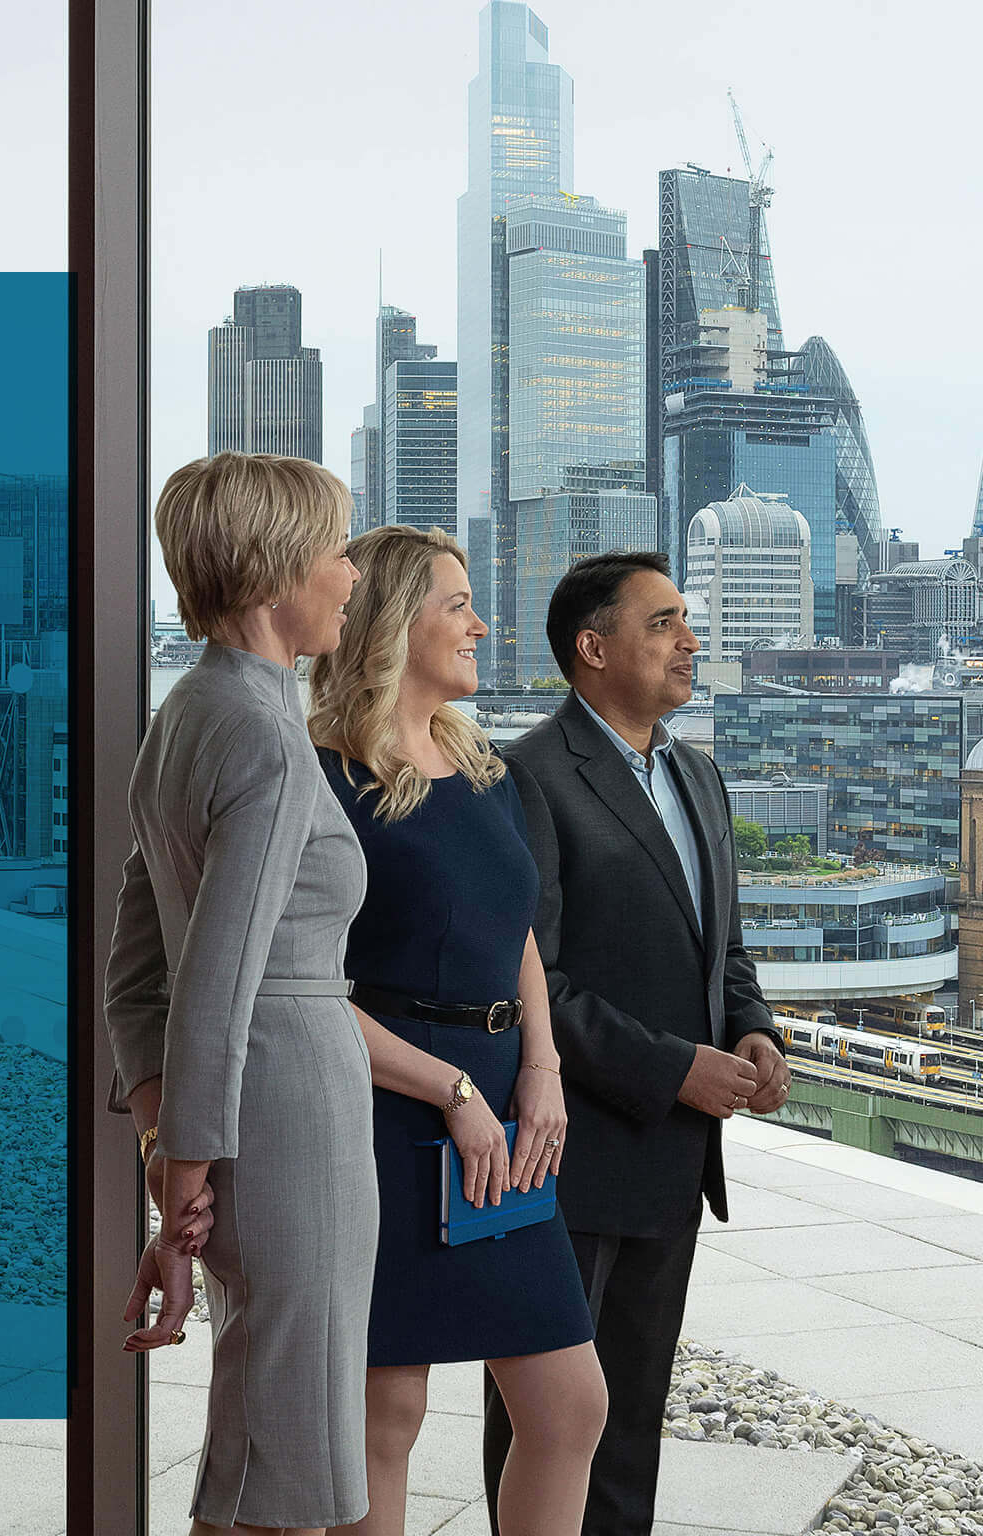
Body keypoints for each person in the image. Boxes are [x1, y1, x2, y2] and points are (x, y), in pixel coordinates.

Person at [303, 525, 606, 1536]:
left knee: (570, 1406)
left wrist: (543, 1065)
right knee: (385, 1412)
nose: (480, 624)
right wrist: (453, 1090)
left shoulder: (486, 769)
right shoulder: (324, 781)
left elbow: (510, 924)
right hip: (385, 1113)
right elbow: (300, 992)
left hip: (502, 1104)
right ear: (394, 622)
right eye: (455, 606)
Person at [486, 550, 789, 1536]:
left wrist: (753, 1027)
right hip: (568, 1159)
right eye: (662, 624)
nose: (690, 641)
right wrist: (674, 1070)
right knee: (546, 1425)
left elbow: (722, 947)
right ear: (593, 647)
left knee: (631, 1429)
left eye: (685, 621)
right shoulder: (528, 778)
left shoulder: (698, 775)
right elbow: (536, 982)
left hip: (671, 1162)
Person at [107, 451, 376, 1535]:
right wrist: (186, 1166)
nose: (352, 575)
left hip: (240, 1113)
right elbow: (218, 975)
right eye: (336, 551)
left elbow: (136, 968)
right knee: (291, 1453)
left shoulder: (188, 713)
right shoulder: (265, 734)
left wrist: (168, 1140)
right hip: (292, 1105)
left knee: (262, 1427)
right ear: (276, 572)